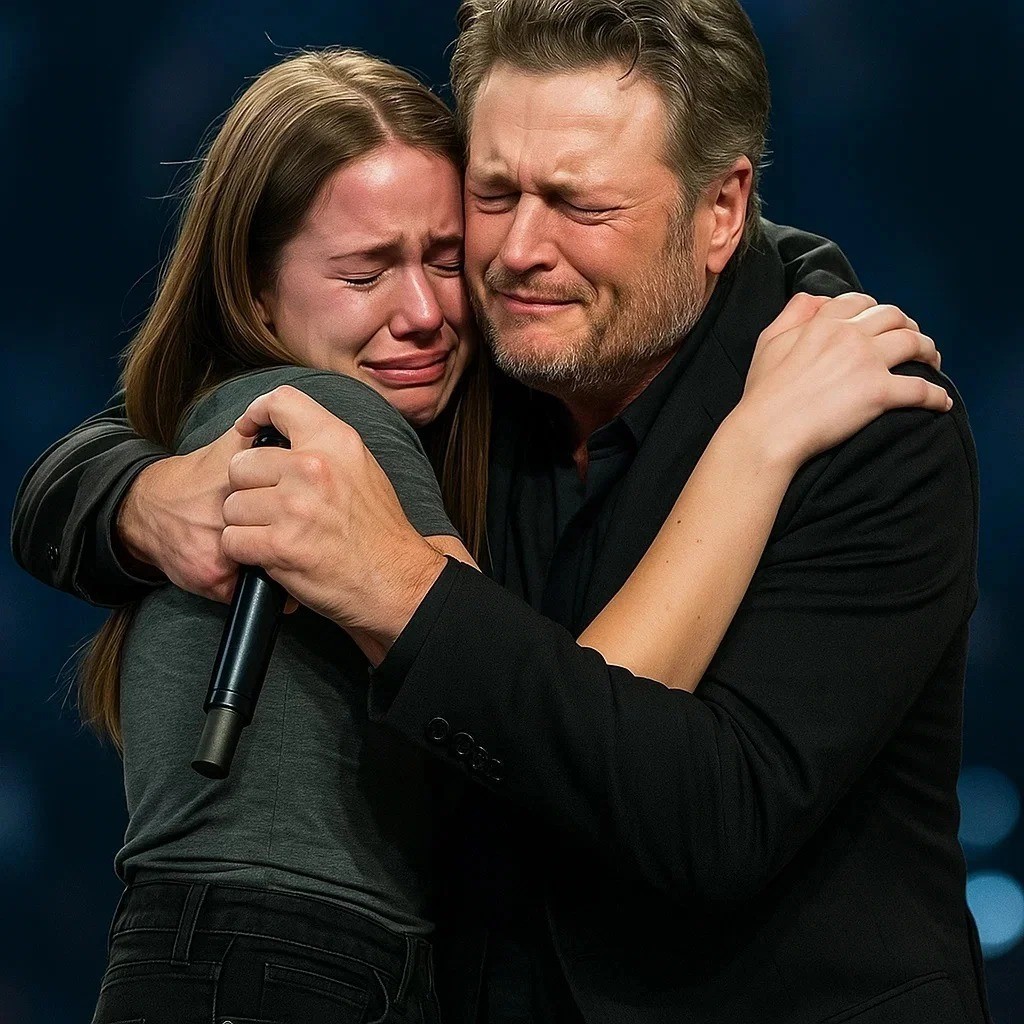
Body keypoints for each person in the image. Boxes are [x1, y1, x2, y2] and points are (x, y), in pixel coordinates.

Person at [10, 8, 985, 1024]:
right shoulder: (468, 346)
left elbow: (713, 818)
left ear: (721, 208)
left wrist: (393, 580)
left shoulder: (863, 420)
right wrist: (139, 496)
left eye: (578, 203)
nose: (519, 250)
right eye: (495, 191)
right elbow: (120, 441)